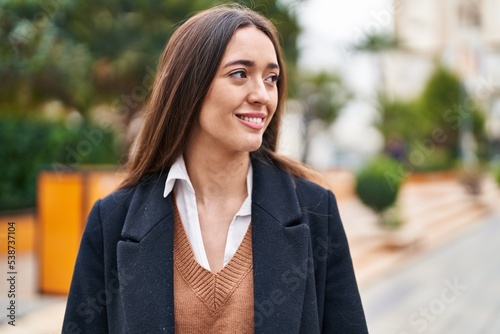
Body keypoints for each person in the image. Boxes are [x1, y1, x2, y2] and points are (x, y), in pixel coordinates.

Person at [62, 4, 368, 333]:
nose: (262, 95)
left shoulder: (315, 211)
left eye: (271, 78)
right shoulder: (111, 221)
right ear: (190, 85)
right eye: (240, 74)